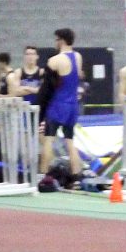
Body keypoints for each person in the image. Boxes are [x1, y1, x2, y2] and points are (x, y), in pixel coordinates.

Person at [39, 28, 84, 178]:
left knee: (49, 139)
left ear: (61, 40)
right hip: (73, 106)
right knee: (70, 141)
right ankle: (77, 175)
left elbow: (47, 89)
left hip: (58, 105)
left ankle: (43, 174)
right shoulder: (78, 57)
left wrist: (41, 111)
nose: (55, 43)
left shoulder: (54, 61)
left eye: (56, 40)